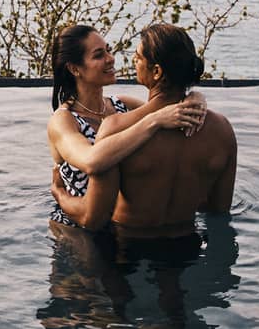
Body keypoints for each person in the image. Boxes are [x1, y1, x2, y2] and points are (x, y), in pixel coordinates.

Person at [73, 23, 236, 244]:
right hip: (186, 245)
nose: (133, 61)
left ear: (157, 71)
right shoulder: (222, 131)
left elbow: (95, 218)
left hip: (127, 247)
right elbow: (218, 211)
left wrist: (60, 194)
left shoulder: (116, 128)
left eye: (138, 57)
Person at [47, 24, 207, 231]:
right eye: (98, 55)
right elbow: (92, 161)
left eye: (108, 50)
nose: (111, 58)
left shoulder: (122, 105)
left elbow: (170, 105)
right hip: (76, 228)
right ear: (74, 68)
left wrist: (195, 97)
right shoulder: (63, 120)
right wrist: (59, 194)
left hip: (121, 225)